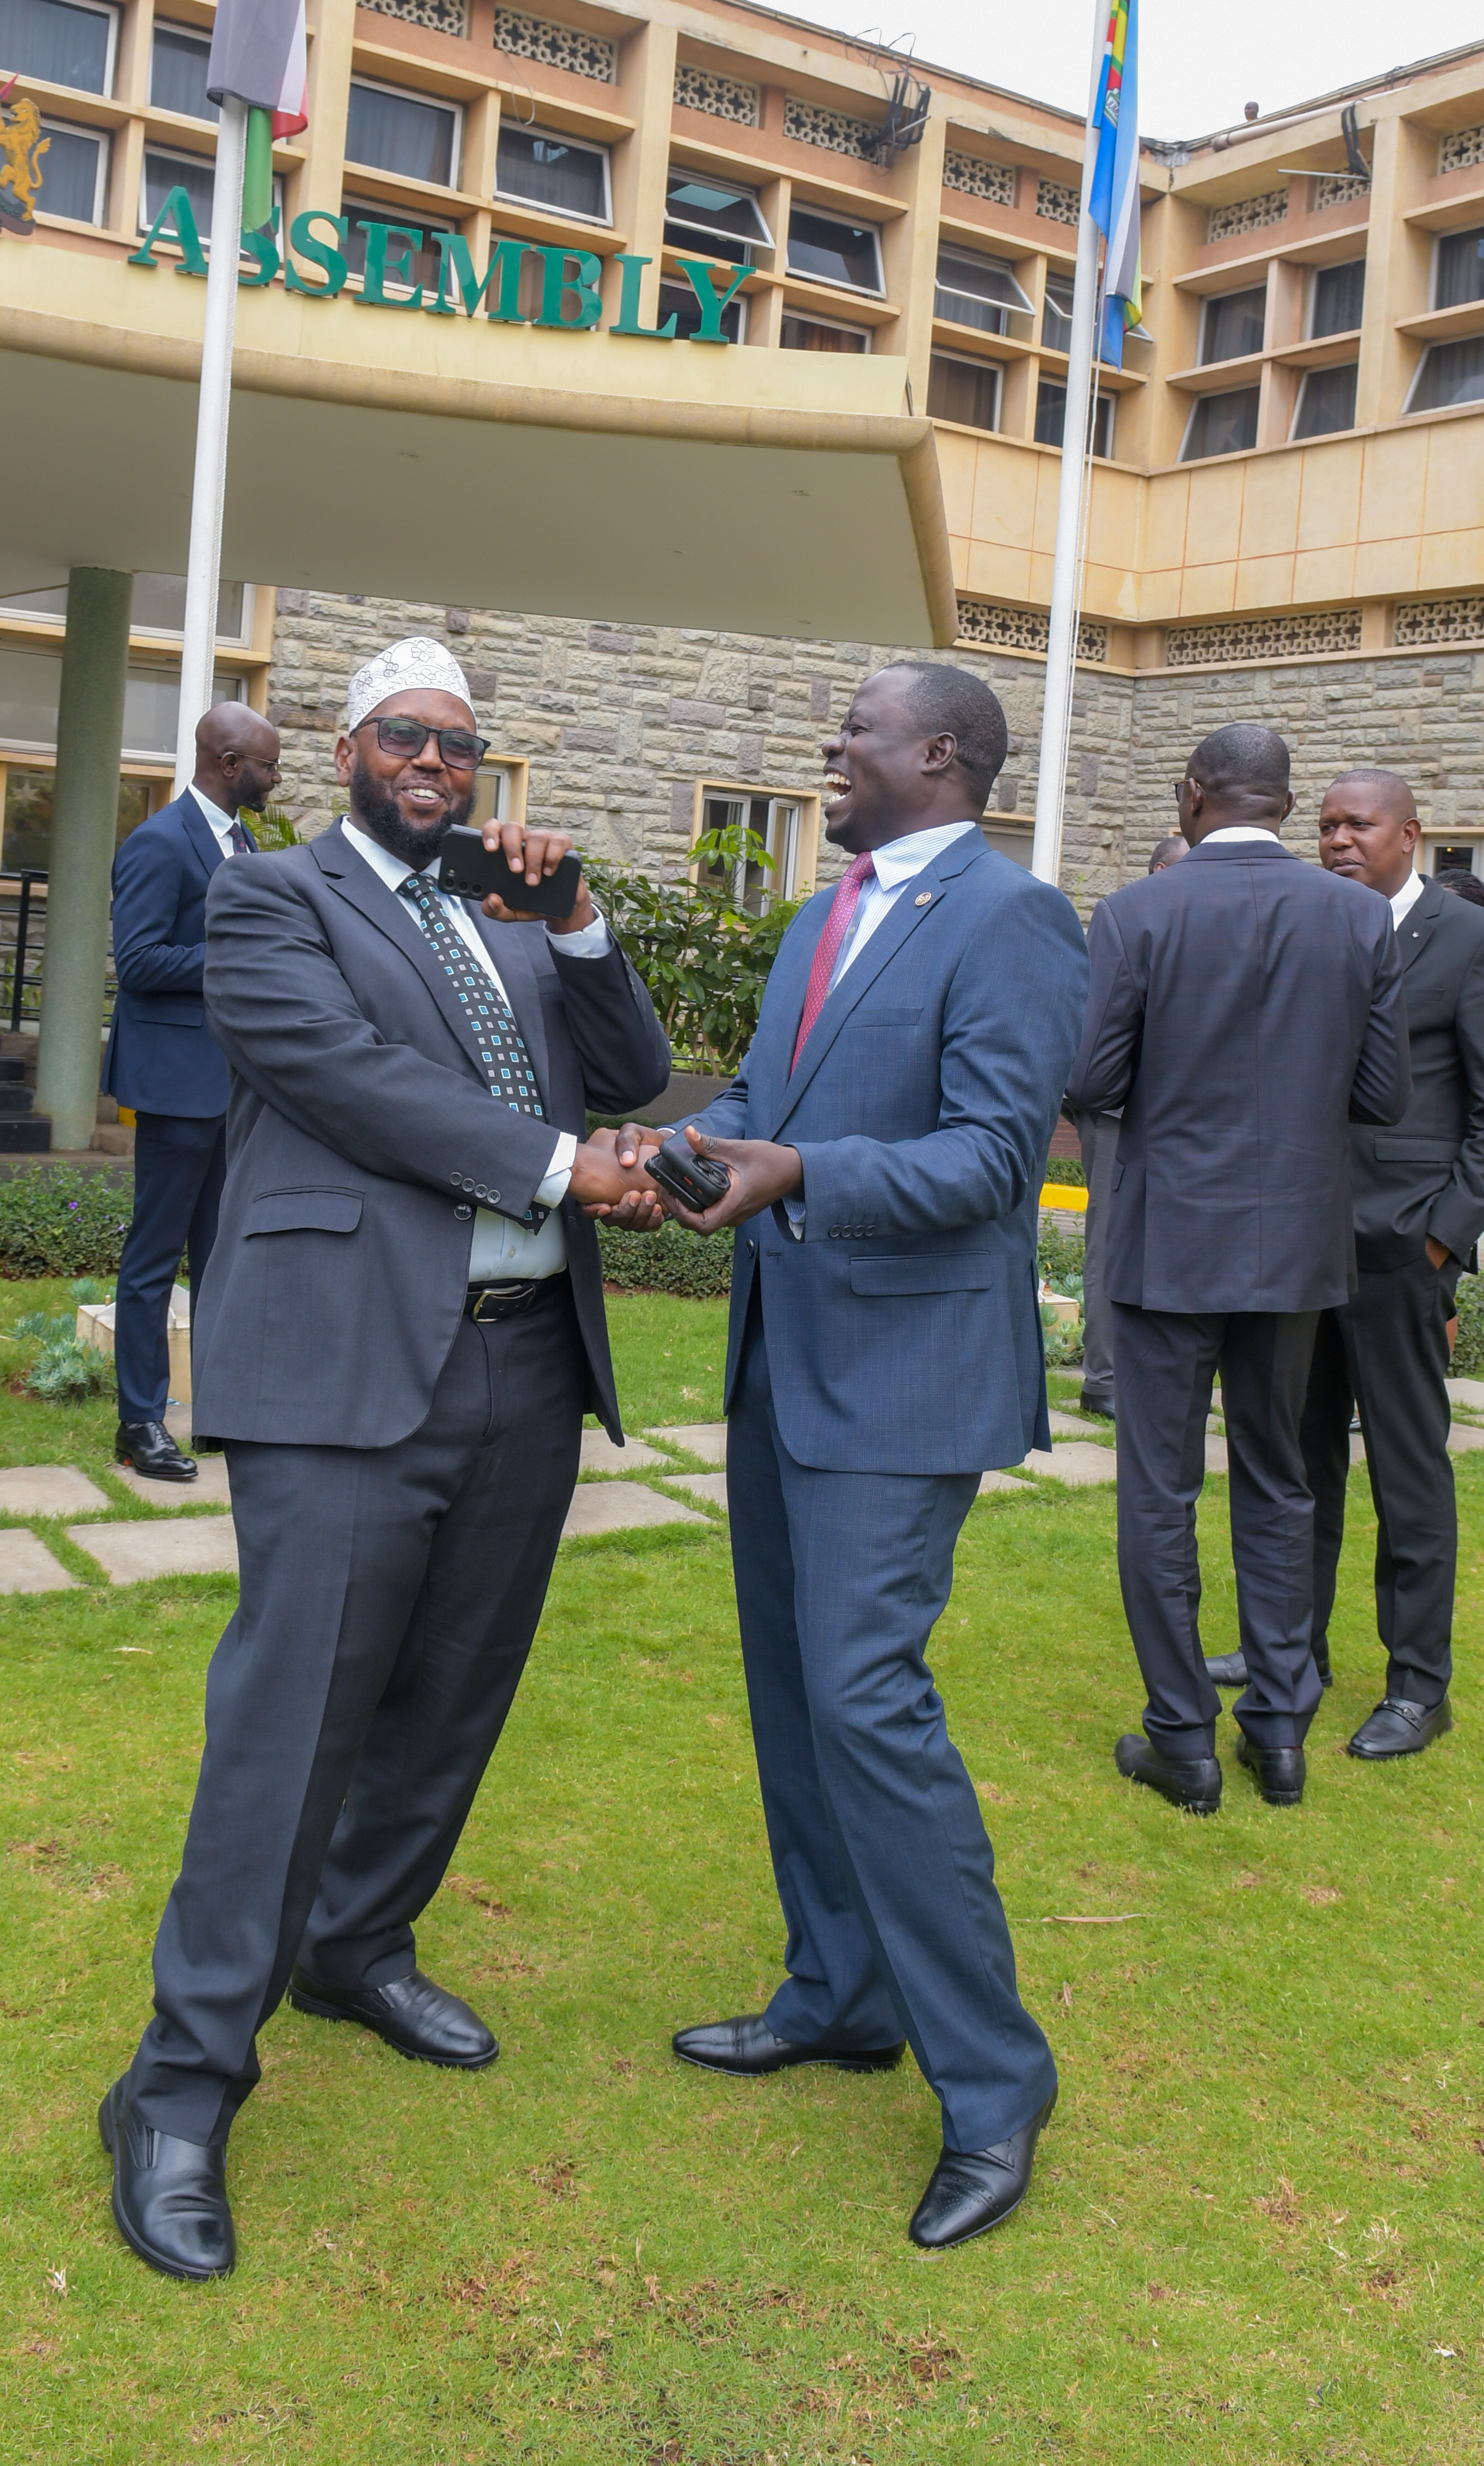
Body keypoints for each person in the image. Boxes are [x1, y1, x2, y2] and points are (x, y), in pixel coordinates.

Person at [103, 635, 669, 2282]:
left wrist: (576, 925)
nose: (436, 762)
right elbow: (345, 1082)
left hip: (524, 1362)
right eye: (408, 736)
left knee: (452, 1693)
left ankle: (358, 1941)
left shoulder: (509, 911)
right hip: (347, 1369)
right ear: (346, 746)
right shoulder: (272, 899)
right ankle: (178, 2085)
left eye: (461, 744)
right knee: (289, 1727)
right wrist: (566, 1166)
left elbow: (629, 1069)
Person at [618, 664, 1088, 2252]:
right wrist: (687, 1148)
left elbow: (990, 1155)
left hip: (904, 1379)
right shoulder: (824, 919)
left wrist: (798, 1164)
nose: (830, 748)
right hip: (783, 1365)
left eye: (856, 730)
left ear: (939, 757)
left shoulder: (1013, 919)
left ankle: (995, 2079)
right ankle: (837, 1990)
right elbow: (767, 1095)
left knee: (870, 1701)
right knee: (795, 1699)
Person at [1068, 723, 1408, 1815]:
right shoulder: (1355, 917)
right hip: (1295, 1247)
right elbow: (1382, 1097)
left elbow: (1091, 1078)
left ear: (1192, 795)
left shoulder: (1135, 913)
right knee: (1278, 1483)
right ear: (1283, 799)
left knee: (1157, 1494)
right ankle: (1277, 1730)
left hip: (1168, 1242)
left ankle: (1182, 1737)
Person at [1214, 770, 1484, 1760]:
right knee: (1296, 1461)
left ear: (1410, 834)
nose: (1339, 840)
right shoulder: (1310, 926)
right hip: (1302, 1245)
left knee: (1405, 1469)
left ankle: (1416, 1686)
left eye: (1359, 825)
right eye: (1325, 826)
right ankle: (1291, 1650)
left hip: (1401, 1252)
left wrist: (1441, 1236)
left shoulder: (1473, 942)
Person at [101, 703, 283, 1484]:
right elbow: (138, 961)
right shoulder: (158, 843)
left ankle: (219, 1411)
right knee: (154, 1259)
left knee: (220, 1256)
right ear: (230, 764)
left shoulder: (240, 840)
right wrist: (237, 956)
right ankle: (141, 1421)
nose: (279, 777)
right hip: (176, 1087)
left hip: (232, 1087)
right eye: (271, 765)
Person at [1073, 832, 1187, 1421]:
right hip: (1120, 1112)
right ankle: (1106, 1379)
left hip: (1182, 1118)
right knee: (1113, 1243)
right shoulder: (1124, 921)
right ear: (1162, 868)